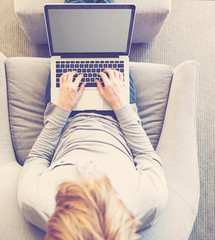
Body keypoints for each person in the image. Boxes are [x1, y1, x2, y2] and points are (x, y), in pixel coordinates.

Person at [17, 70, 168, 239]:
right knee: (114, 52)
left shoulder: (34, 202)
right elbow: (145, 154)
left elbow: (39, 157)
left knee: (63, 52)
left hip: (66, 116)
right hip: (117, 115)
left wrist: (63, 108)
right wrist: (120, 104)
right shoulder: (150, 200)